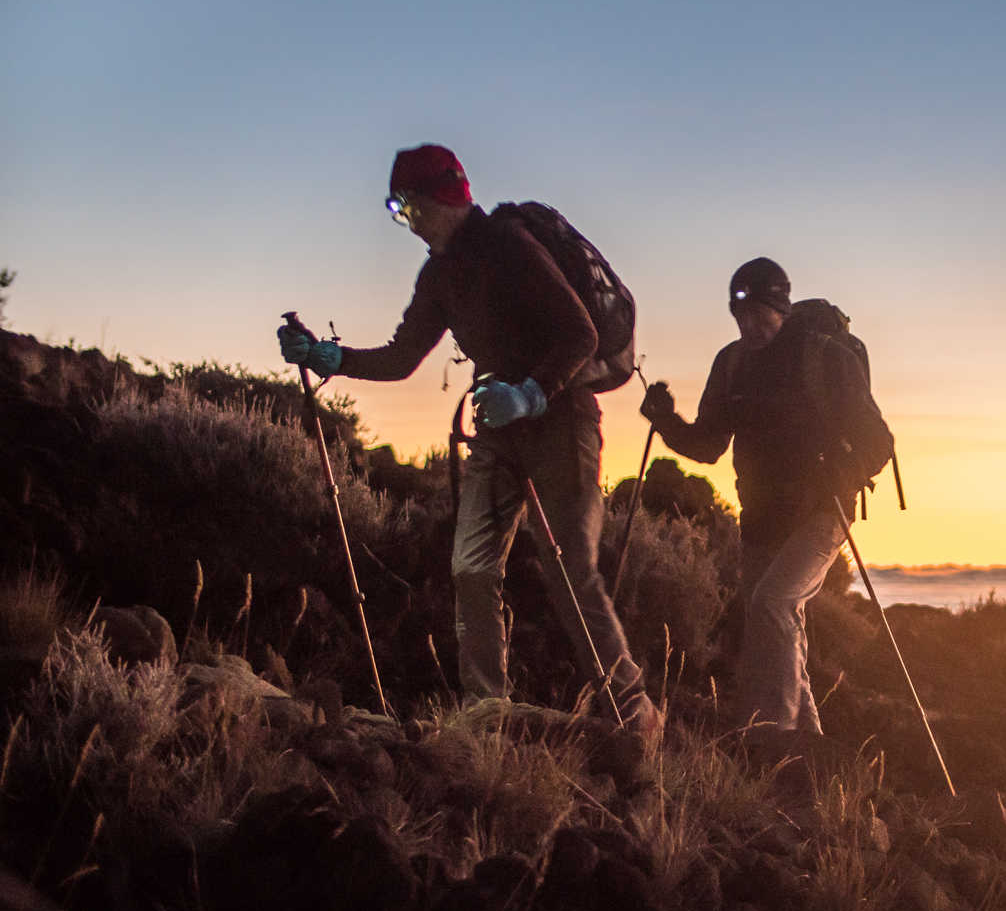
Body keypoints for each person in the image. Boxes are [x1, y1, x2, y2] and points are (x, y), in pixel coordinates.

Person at [276, 144, 657, 735]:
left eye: (407, 207)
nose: (407, 222)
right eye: (398, 210)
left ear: (439, 199)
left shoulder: (509, 246)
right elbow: (402, 357)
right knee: (473, 570)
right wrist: (330, 357)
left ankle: (633, 717)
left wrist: (530, 394)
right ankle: (486, 715)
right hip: (496, 432)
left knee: (569, 572)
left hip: (561, 422)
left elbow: (579, 333)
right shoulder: (439, 275)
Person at [637, 258, 891, 735]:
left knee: (772, 603)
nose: (749, 325)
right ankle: (807, 744)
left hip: (822, 512)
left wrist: (839, 475)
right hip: (761, 517)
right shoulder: (731, 363)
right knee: (775, 619)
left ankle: (768, 733)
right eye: (740, 315)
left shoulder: (824, 358)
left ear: (782, 306)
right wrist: (665, 420)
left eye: (760, 314)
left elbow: (879, 441)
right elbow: (709, 446)